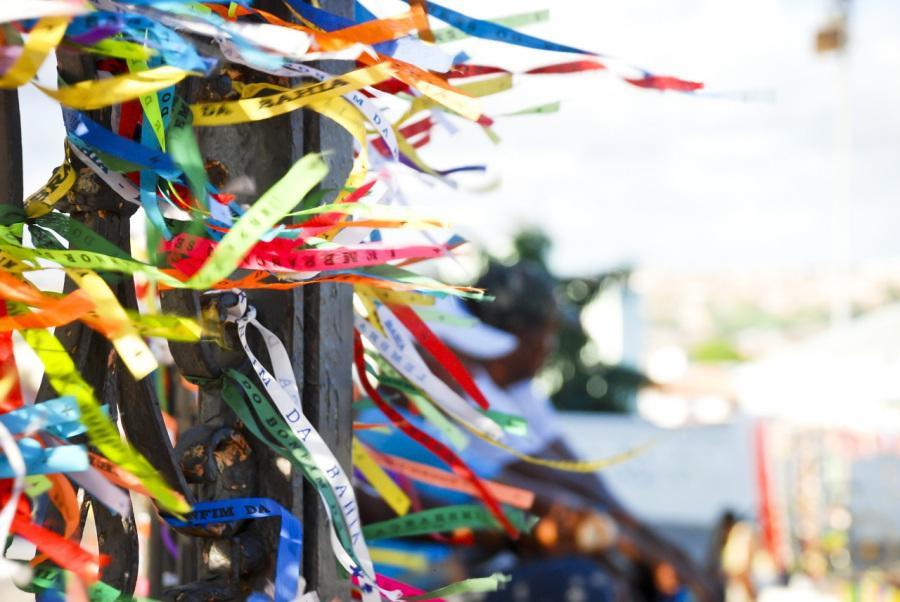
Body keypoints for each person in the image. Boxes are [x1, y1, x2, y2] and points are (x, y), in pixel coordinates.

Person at [357, 261, 719, 601]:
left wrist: (653, 544)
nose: (549, 348)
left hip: (448, 562)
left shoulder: (509, 386)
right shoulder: (457, 384)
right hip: (408, 576)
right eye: (548, 334)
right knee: (590, 580)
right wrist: (645, 547)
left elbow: (573, 477)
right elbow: (543, 494)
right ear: (527, 337)